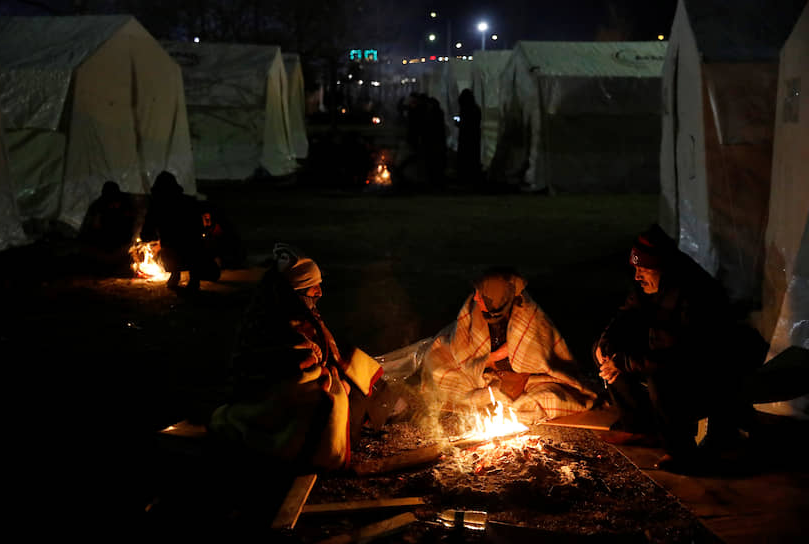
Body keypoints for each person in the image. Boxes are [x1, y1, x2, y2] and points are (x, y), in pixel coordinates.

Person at [209, 244, 402, 471]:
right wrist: (330, 377)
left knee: (357, 367)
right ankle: (353, 430)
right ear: (296, 291)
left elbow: (323, 353)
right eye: (313, 287)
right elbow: (288, 376)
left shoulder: (296, 312)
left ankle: (381, 410)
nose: (320, 292)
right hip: (274, 405)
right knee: (341, 408)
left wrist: (335, 368)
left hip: (295, 391)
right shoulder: (273, 323)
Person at [593, 225, 766, 474]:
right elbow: (624, 316)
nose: (637, 276)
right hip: (662, 355)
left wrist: (623, 362)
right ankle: (638, 426)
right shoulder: (649, 287)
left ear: (663, 266)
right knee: (601, 352)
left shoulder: (695, 294)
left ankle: (681, 451)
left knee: (660, 378)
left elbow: (678, 357)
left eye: (644, 270)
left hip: (704, 375)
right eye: (636, 269)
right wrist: (606, 347)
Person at [423, 267, 598, 424]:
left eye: (479, 293)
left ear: (497, 298)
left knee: (546, 398)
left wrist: (509, 370)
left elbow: (531, 360)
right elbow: (463, 349)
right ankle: (488, 397)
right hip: (484, 372)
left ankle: (498, 401)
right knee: (441, 371)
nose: (475, 297)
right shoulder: (475, 307)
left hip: (525, 378)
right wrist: (493, 358)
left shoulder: (526, 314)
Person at [140, 171, 218, 291]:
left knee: (167, 253)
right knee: (191, 249)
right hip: (192, 250)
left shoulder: (157, 206)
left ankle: (178, 274)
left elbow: (146, 234)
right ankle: (190, 276)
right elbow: (200, 230)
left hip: (181, 251)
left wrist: (156, 240)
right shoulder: (189, 201)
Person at [78, 181, 138, 276]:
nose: (113, 205)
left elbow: (132, 227)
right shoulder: (97, 207)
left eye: (115, 202)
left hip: (123, 244)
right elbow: (92, 231)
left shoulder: (126, 203)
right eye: (111, 202)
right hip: (104, 245)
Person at [457, 89, 482, 187]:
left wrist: (459, 123)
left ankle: (465, 179)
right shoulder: (475, 109)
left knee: (465, 159)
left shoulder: (465, 109)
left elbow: (463, 123)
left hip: (465, 138)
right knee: (472, 159)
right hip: (473, 138)